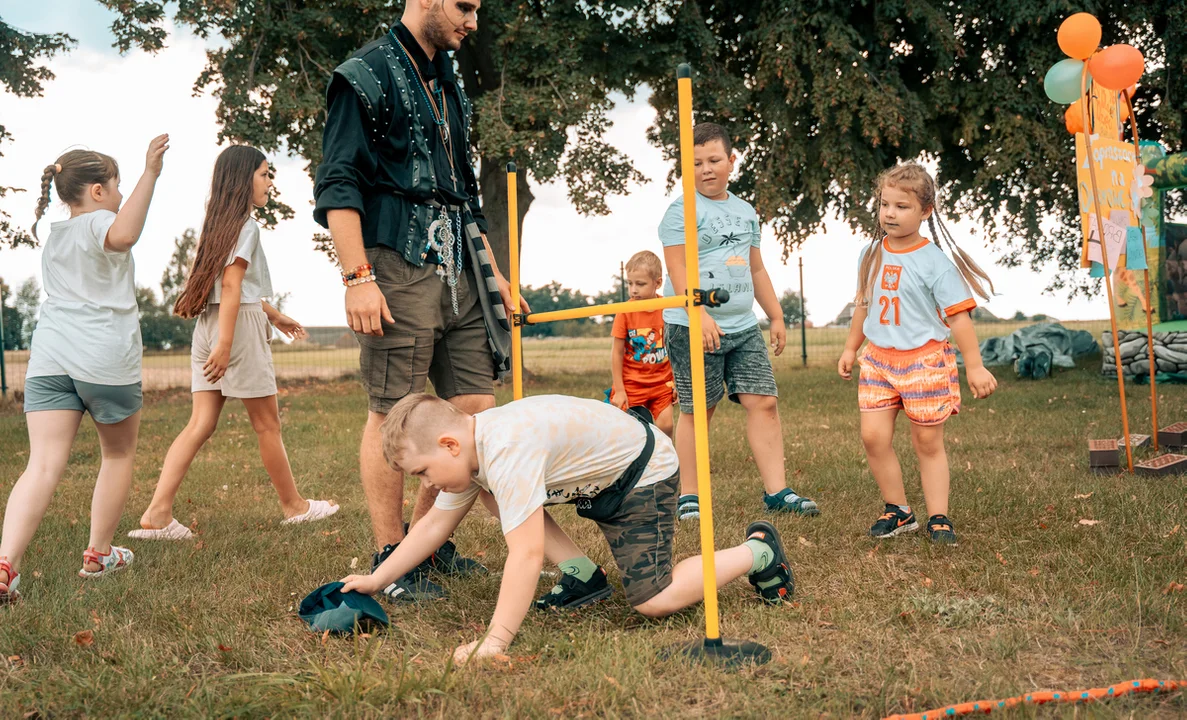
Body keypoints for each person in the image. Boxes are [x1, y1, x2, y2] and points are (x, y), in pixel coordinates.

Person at [313, 0, 525, 601]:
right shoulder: (364, 74)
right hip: (394, 262)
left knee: (472, 411)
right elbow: (339, 183)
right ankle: (392, 556)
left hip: (462, 264)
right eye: (465, 6)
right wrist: (357, 276)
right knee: (394, 409)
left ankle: (429, 547)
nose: (473, 22)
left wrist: (496, 273)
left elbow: (463, 190)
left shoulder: (448, 81)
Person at [338, 393, 797, 662]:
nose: (426, 484)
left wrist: (494, 641)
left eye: (421, 472)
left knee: (653, 600)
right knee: (491, 492)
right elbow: (433, 525)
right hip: (600, 476)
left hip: (642, 475)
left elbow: (526, 554)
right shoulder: (475, 453)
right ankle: (582, 574)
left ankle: (759, 551)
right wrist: (379, 579)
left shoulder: (506, 450)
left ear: (449, 444)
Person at [130, 146, 337, 541]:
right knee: (267, 424)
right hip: (234, 328)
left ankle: (158, 513)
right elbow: (230, 285)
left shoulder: (217, 225)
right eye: (264, 174)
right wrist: (226, 345)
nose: (270, 183)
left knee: (200, 423)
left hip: (211, 324)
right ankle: (295, 507)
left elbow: (232, 287)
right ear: (244, 179)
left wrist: (272, 315)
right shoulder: (247, 226)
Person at [0, 136, 168, 602]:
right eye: (115, 186)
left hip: (50, 359)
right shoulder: (100, 221)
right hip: (104, 359)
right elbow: (125, 235)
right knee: (117, 454)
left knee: (42, 463)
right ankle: (98, 554)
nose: (118, 196)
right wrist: (149, 173)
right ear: (96, 191)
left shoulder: (56, 236)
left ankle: (5, 565)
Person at [660, 122, 819, 521]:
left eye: (714, 160)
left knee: (763, 402)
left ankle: (778, 491)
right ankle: (689, 495)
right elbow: (677, 265)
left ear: (732, 161)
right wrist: (698, 313)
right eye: (696, 163)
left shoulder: (745, 212)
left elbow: (757, 269)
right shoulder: (681, 210)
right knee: (699, 410)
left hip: (743, 325)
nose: (706, 169)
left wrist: (776, 314)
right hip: (692, 323)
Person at [837, 162, 998, 546]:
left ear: (926, 211)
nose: (890, 213)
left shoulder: (935, 262)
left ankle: (938, 517)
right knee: (873, 437)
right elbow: (863, 304)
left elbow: (959, 318)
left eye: (902, 206)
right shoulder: (870, 253)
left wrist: (974, 366)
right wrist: (850, 347)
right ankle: (899, 511)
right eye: (884, 204)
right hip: (878, 360)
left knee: (927, 443)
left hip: (924, 361)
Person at [609, 251, 675, 437]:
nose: (633, 290)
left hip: (661, 383)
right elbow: (617, 352)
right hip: (632, 383)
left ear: (658, 283)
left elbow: (676, 347)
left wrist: (676, 381)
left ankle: (664, 461)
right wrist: (620, 390)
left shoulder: (669, 307)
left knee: (666, 426)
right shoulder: (625, 311)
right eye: (629, 283)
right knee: (627, 432)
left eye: (640, 284)